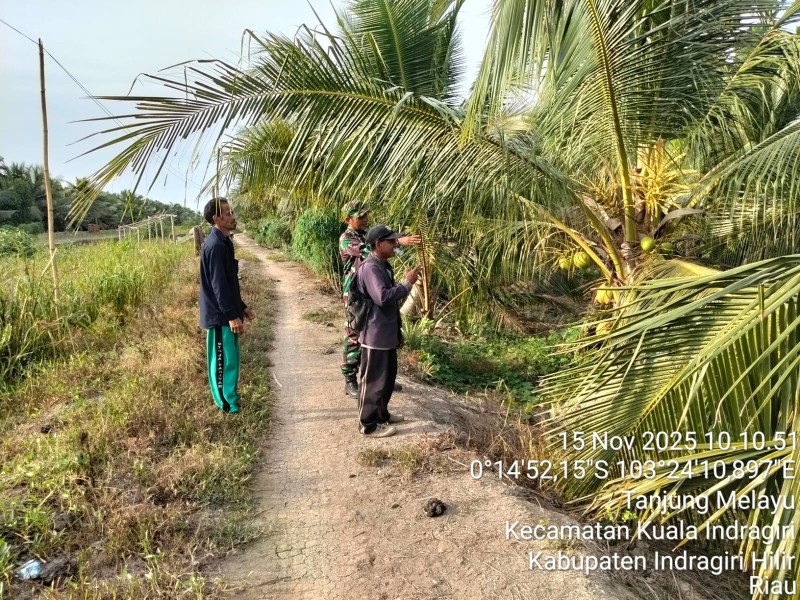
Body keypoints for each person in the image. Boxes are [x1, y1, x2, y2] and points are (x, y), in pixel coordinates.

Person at [339, 200, 420, 397]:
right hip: (356, 296)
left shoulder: (366, 235)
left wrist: (400, 249)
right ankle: (350, 379)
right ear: (348, 219)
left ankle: (381, 380)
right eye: (361, 216)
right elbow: (370, 250)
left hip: (374, 290)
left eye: (367, 215)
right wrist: (400, 242)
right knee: (355, 334)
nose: (366, 219)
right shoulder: (347, 238)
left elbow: (386, 251)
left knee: (374, 336)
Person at [356, 224, 423, 437]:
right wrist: (407, 283)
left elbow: (390, 294)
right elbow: (382, 297)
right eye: (391, 241)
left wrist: (403, 284)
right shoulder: (371, 267)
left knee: (387, 378)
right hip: (375, 334)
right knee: (373, 380)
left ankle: (382, 414)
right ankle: (368, 424)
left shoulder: (383, 265)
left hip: (386, 332)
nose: (396, 244)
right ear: (378, 244)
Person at [199, 197, 253, 413]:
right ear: (216, 218)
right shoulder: (215, 246)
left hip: (227, 312)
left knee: (231, 358)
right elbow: (219, 286)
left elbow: (229, 281)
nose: (233, 216)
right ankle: (225, 403)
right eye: (228, 213)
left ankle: (230, 398)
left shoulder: (224, 242)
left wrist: (241, 306)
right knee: (222, 361)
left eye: (231, 212)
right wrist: (231, 315)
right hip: (220, 315)